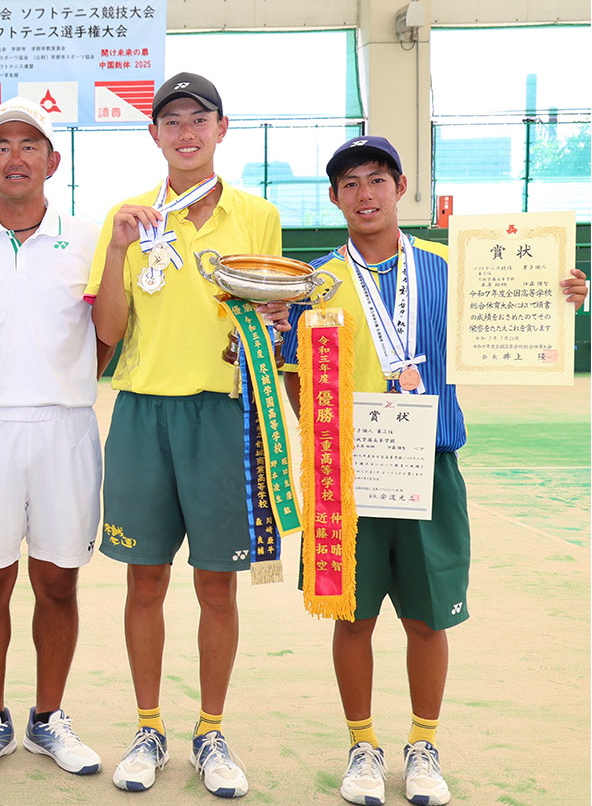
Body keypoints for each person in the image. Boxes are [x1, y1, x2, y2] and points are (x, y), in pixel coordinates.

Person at [280, 135, 587, 806]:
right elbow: (294, 372)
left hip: (430, 463)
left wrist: (562, 295)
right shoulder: (315, 281)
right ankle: (362, 745)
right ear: (334, 198)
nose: (365, 194)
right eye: (350, 183)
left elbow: (515, 315)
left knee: (427, 620)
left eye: (377, 179)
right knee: (352, 618)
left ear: (400, 187)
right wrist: (326, 436)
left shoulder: (450, 266)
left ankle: (423, 746)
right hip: (350, 477)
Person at [85, 72, 290, 797]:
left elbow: (272, 311)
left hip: (224, 414)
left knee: (217, 583)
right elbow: (108, 331)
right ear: (154, 135)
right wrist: (117, 251)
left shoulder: (257, 215)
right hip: (144, 415)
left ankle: (210, 729)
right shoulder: (127, 217)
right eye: (171, 121)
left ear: (221, 129)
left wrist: (270, 327)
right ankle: (148, 727)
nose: (186, 133)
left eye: (199, 119)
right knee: (145, 578)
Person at [0, 97, 111, 779]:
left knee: (58, 582)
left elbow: (106, 335)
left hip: (66, 429)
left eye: (29, 144)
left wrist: (66, 380)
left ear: (53, 160)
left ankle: (48, 717)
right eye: (1, 145)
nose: (16, 157)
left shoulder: (91, 239)